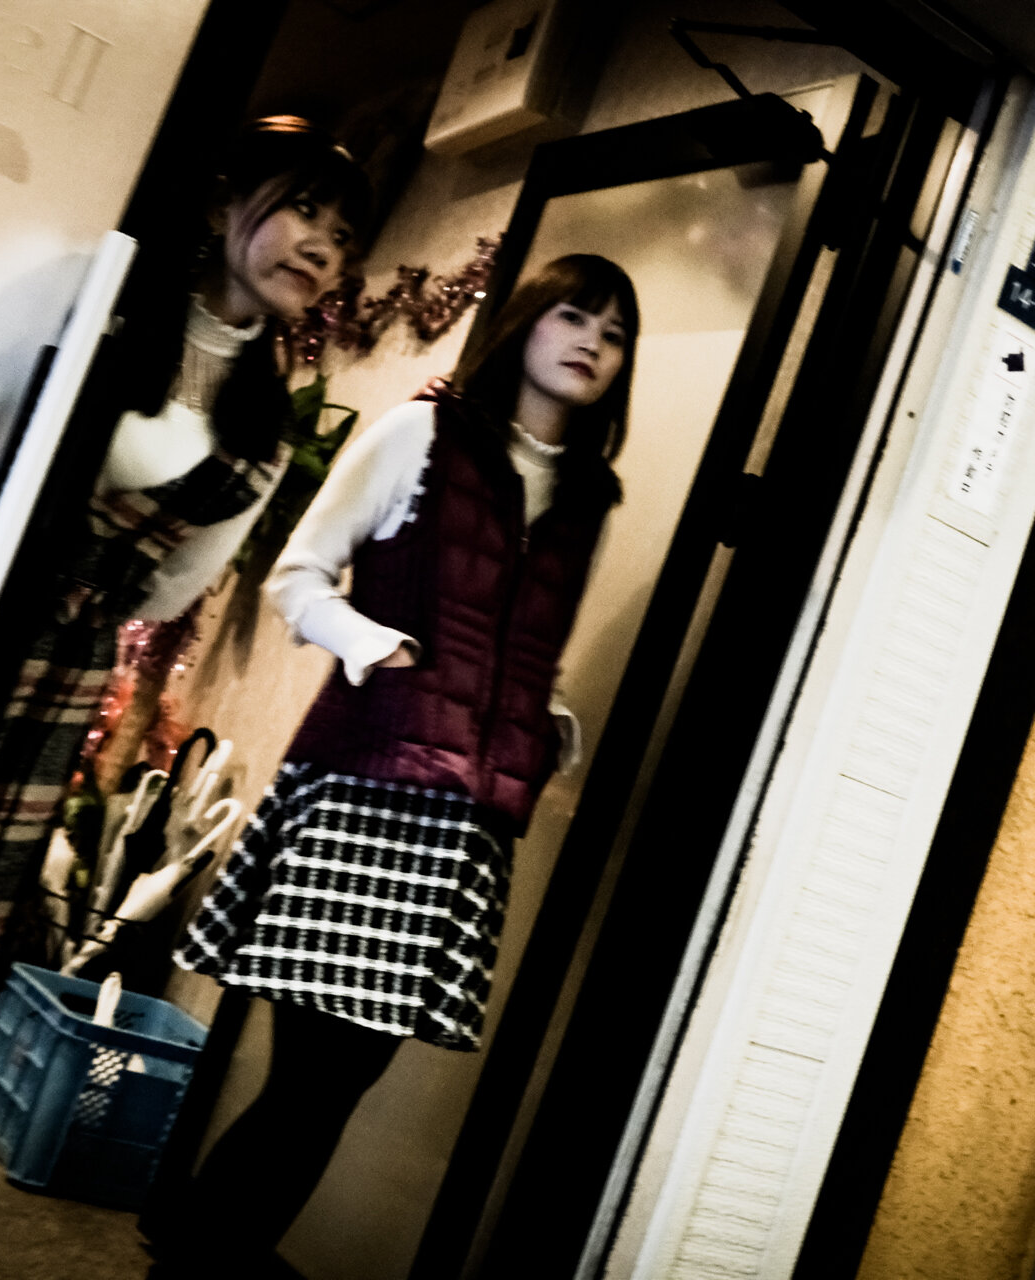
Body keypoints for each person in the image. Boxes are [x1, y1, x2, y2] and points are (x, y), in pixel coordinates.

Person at [152, 254, 639, 1273]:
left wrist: (545, 717)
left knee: (342, 1081)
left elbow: (526, 637)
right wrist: (378, 645)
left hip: (470, 815)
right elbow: (298, 573)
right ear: (524, 325)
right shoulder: (424, 431)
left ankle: (200, 1247)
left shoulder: (590, 493)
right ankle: (202, 1256)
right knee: (313, 1083)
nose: (594, 339)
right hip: (367, 786)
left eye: (616, 329)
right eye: (573, 313)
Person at [0, 116, 374, 1013]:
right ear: (222, 203)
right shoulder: (104, 306)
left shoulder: (268, 426)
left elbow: (174, 589)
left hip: (62, 671)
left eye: (344, 237)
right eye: (305, 210)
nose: (321, 247)